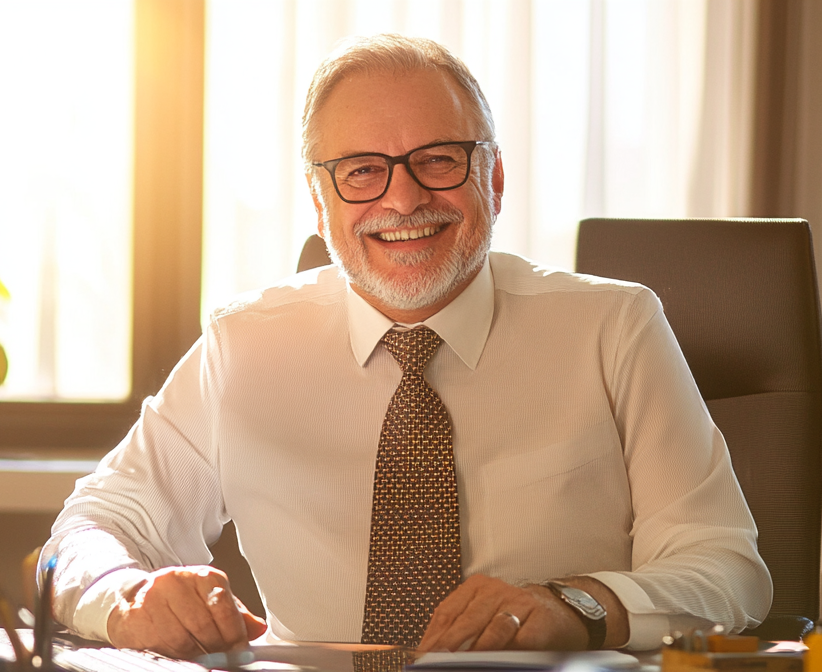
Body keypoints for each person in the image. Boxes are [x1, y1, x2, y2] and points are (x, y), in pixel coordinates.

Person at [43, 34, 770, 659]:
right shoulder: (241, 347)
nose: (402, 199)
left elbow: (727, 569)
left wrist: (578, 608)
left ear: (495, 177)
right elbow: (87, 532)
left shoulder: (616, 329)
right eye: (361, 170)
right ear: (320, 202)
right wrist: (127, 595)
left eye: (440, 159)